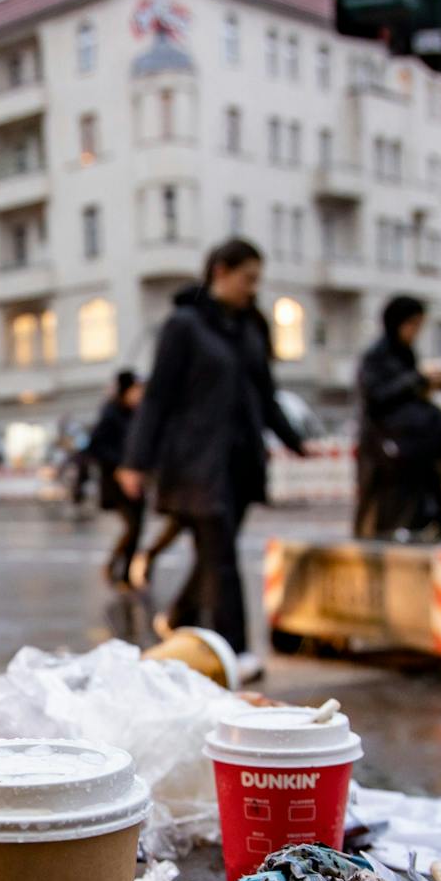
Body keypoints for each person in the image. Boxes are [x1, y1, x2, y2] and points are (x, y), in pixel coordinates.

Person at [118, 239, 306, 681]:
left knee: (211, 555)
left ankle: (179, 618)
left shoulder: (249, 327)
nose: (252, 288)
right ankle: (235, 649)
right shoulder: (185, 326)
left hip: (241, 461)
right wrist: (135, 461)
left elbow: (264, 392)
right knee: (221, 557)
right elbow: (158, 396)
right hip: (197, 463)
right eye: (248, 279)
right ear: (220, 271)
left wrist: (294, 439)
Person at [354, 296, 441, 540]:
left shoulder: (405, 354)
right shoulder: (378, 357)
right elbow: (376, 396)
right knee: (385, 519)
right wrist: (418, 381)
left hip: (411, 447)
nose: (416, 332)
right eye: (413, 325)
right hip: (388, 449)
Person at [85, 370, 146, 587]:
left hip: (136, 481)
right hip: (115, 482)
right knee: (133, 527)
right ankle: (116, 566)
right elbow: (95, 447)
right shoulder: (111, 414)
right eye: (136, 390)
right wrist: (120, 467)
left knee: (138, 527)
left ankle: (125, 573)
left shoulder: (137, 414)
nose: (139, 395)